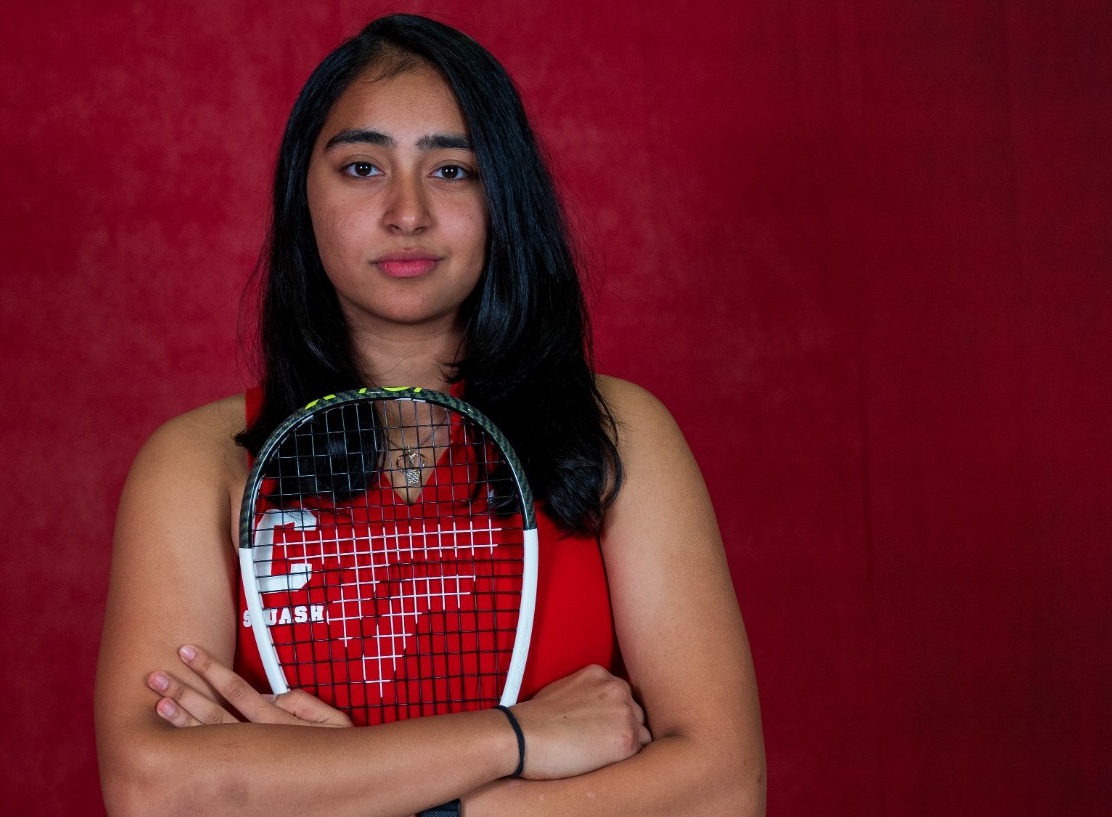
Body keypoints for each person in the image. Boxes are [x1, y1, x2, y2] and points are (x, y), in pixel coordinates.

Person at [95, 13, 764, 816]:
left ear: (503, 195)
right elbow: (154, 790)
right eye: (362, 167)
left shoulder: (618, 432)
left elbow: (722, 789)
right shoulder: (199, 463)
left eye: (452, 171)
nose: (406, 212)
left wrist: (321, 787)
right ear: (302, 193)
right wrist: (520, 737)